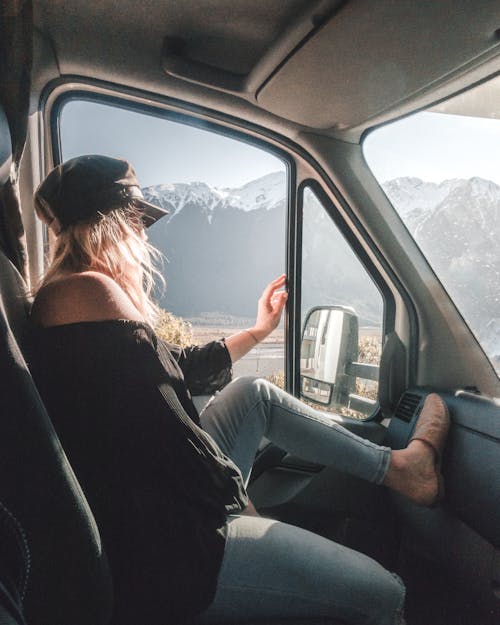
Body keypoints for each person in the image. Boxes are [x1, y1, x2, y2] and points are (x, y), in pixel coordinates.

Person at [28, 155, 450, 625]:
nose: (145, 236)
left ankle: (401, 469)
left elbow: (174, 371)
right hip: (171, 549)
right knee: (386, 594)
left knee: (253, 395)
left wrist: (258, 330)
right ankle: (403, 472)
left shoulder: (70, 293)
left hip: (151, 507)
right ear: (113, 223)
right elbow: (170, 432)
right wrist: (237, 502)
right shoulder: (90, 291)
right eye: (138, 222)